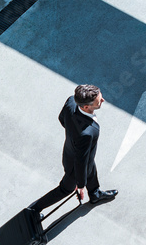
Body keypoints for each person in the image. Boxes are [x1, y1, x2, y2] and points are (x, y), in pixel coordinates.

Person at [29, 84, 118, 214]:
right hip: (75, 167)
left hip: (76, 154)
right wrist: (81, 185)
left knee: (90, 168)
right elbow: (80, 162)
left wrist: (73, 132)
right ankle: (33, 209)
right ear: (86, 107)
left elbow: (61, 118)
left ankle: (95, 194)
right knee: (65, 189)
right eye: (99, 101)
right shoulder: (87, 133)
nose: (103, 100)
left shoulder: (71, 101)